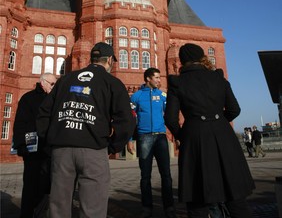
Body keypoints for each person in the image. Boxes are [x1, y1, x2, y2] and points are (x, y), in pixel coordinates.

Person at [36, 42, 135, 218]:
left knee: (58, 207)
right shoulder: (112, 82)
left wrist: (49, 141)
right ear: (110, 60)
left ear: (91, 59)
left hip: (61, 150)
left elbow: (43, 112)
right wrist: (112, 147)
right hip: (94, 151)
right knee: (93, 209)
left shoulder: (65, 79)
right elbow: (126, 121)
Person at [164, 43, 255, 218]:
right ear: (201, 58)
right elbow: (234, 109)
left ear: (182, 61)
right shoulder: (218, 77)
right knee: (235, 194)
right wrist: (219, 122)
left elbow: (170, 118)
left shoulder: (177, 82)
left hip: (195, 137)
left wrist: (184, 134)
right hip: (224, 136)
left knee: (197, 197)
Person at [127, 68, 176, 218]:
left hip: (161, 137)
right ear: (148, 78)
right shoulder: (136, 97)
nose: (159, 80)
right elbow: (131, 119)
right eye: (156, 77)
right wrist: (129, 140)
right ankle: (146, 208)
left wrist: (176, 135)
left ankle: (169, 208)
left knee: (166, 174)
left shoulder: (162, 95)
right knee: (145, 176)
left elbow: (170, 116)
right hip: (144, 137)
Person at [13, 72, 56, 218]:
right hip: (31, 151)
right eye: (52, 84)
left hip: (49, 150)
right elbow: (20, 123)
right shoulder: (28, 98)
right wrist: (21, 145)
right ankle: (27, 214)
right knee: (31, 184)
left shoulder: (55, 100)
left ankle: (41, 213)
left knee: (47, 185)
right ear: (43, 82)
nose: (54, 87)